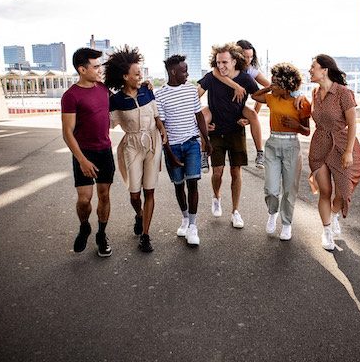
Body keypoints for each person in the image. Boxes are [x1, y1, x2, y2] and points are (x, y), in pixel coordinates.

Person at [105, 46, 168, 253]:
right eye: (137, 73)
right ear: (125, 76)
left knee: (149, 190)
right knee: (134, 194)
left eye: (141, 72)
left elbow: (157, 116)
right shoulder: (115, 100)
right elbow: (107, 123)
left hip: (152, 142)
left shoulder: (147, 90)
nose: (141, 75)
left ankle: (146, 235)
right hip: (131, 145)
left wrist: (162, 130)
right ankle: (139, 215)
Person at [197, 43, 259, 228]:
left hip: (236, 130)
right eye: (218, 62)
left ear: (234, 61)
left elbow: (260, 97)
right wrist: (203, 126)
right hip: (215, 130)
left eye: (225, 62)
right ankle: (216, 197)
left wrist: (249, 118)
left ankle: (235, 211)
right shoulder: (211, 77)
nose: (221, 66)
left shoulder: (246, 79)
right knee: (217, 172)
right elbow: (194, 97)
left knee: (235, 172)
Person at [308, 54, 360, 251]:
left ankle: (334, 214)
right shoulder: (314, 93)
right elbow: (311, 116)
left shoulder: (343, 93)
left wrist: (348, 151)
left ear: (324, 70)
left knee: (342, 192)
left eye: (313, 67)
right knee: (325, 191)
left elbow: (352, 123)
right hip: (319, 145)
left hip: (341, 145)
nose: (309, 70)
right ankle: (327, 231)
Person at [61, 48, 113, 257]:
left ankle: (101, 234)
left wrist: (142, 85)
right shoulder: (70, 96)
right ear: (82, 69)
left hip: (105, 151)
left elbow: (126, 96)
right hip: (84, 153)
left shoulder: (103, 88)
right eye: (96, 66)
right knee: (84, 199)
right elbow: (67, 132)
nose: (100, 69)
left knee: (104, 195)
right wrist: (81, 160)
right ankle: (84, 226)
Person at [155, 55, 211, 246]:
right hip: (173, 147)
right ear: (173, 72)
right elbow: (161, 126)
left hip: (191, 143)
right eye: (184, 71)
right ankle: (185, 218)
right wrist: (168, 151)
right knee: (179, 185)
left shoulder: (190, 90)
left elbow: (199, 116)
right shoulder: (160, 95)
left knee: (193, 183)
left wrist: (206, 139)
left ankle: (193, 226)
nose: (187, 74)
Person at [250, 62, 311, 241]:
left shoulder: (301, 103)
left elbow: (307, 131)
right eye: (272, 81)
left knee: (289, 189)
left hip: (292, 146)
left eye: (276, 82)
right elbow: (254, 95)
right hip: (273, 145)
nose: (273, 85)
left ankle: (286, 224)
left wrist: (296, 126)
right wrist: (269, 87)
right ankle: (272, 213)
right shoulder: (271, 98)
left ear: (286, 85)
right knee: (271, 188)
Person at [201, 40, 270, 171]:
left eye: (251, 57)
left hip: (239, 105)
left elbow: (259, 94)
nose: (248, 60)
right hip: (220, 105)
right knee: (203, 116)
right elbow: (215, 73)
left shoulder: (250, 72)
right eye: (245, 56)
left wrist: (251, 118)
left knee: (253, 114)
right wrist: (236, 86)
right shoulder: (220, 67)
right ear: (237, 55)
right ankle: (203, 153)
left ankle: (260, 152)